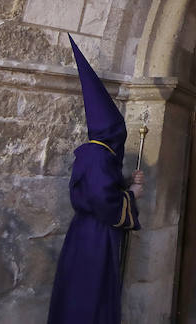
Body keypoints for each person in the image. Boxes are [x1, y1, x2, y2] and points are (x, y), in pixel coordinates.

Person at [48, 36, 143, 324]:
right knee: (91, 295)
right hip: (96, 236)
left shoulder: (91, 154)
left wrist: (125, 182)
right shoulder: (100, 156)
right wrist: (133, 195)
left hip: (84, 232)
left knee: (77, 290)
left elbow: (96, 190)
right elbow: (103, 200)